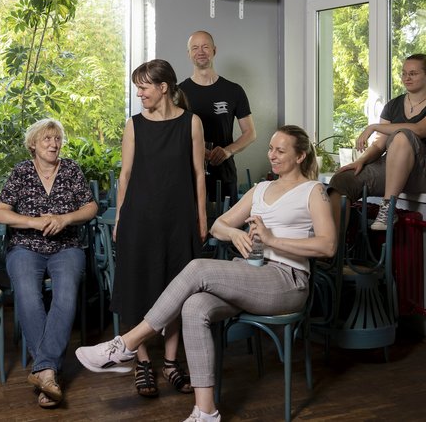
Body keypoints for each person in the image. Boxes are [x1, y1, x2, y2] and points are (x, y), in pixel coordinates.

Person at [76, 125, 337, 422]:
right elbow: (218, 226)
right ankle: (206, 411)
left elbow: (328, 245)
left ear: (301, 155)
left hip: (287, 281)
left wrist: (272, 240)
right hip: (251, 274)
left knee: (198, 267)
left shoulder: (312, 191)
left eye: (280, 150)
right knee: (194, 305)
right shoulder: (261, 189)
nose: (272, 155)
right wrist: (235, 235)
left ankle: (125, 344)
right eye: (270, 148)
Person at [110, 59, 207, 398]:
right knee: (139, 289)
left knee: (177, 293)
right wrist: (120, 219)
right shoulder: (134, 125)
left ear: (163, 87)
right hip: (139, 220)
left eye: (144, 86)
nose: (140, 93)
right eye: (138, 87)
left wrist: (201, 220)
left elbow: (198, 174)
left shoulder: (192, 123)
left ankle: (170, 363)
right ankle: (143, 363)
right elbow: (125, 176)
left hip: (179, 221)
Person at [0, 118, 97, 408]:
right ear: (33, 145)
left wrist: (65, 219)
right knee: (27, 294)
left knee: (66, 295)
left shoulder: (72, 170)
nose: (53, 144)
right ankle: (49, 372)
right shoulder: (21, 172)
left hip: (67, 247)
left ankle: (43, 371)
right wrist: (32, 222)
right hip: (25, 247)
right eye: (46, 139)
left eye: (57, 139)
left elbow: (90, 206)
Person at [328, 53, 426, 230]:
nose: (407, 78)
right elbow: (380, 145)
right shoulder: (393, 105)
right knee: (342, 181)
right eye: (404, 73)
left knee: (403, 135)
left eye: (413, 73)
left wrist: (373, 127)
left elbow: (419, 129)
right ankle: (333, 248)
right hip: (394, 168)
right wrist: (360, 161)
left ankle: (387, 209)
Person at [180, 30, 256, 204]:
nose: (200, 51)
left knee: (225, 228)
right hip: (189, 174)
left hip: (224, 173)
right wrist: (200, 150)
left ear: (214, 50)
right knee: (193, 229)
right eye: (195, 48)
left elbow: (250, 133)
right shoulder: (179, 93)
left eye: (205, 47)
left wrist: (227, 151)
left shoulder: (234, 90)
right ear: (189, 54)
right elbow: (174, 134)